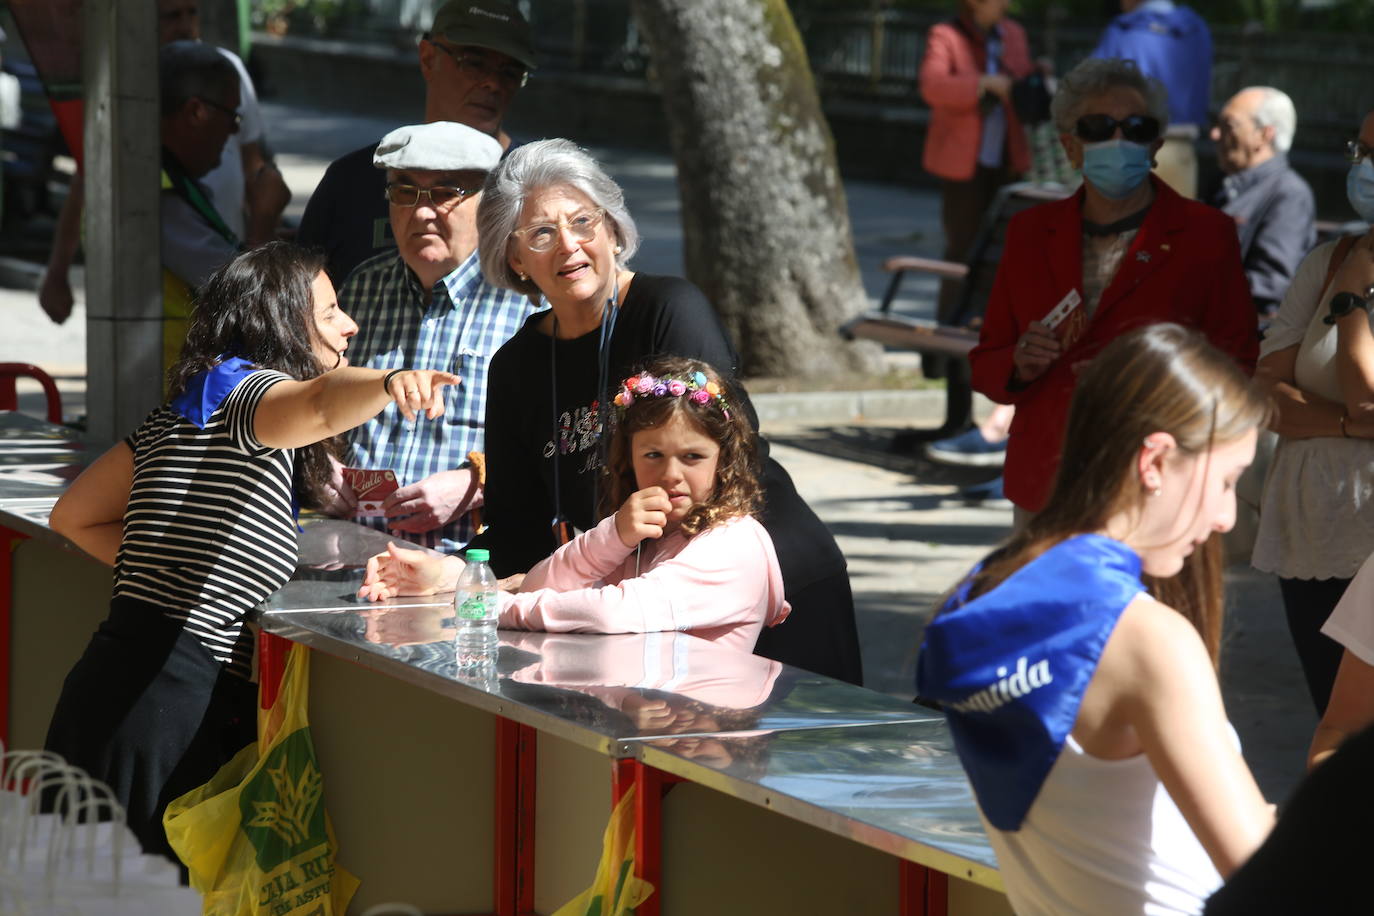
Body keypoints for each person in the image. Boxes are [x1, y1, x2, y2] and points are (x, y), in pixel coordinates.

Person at [42, 242, 458, 861]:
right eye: (329, 312)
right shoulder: (247, 395)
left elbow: (73, 516)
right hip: (166, 705)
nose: (349, 325)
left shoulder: (188, 409)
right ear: (283, 324)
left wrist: (177, 574)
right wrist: (394, 381)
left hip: (120, 686)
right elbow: (320, 402)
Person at [469, 139, 863, 684]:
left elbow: (724, 462)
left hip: (752, 587)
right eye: (541, 233)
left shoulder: (667, 310)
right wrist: (454, 575)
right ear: (514, 257)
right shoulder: (515, 365)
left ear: (611, 228)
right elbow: (516, 524)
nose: (568, 246)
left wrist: (517, 599)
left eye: (583, 222)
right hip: (635, 599)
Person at [918, 323, 1275, 914]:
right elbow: (1273, 879)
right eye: (1228, 481)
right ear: (1156, 460)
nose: (1226, 517)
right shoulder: (1148, 639)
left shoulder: (984, 595)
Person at [968, 57, 1257, 521]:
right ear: (1070, 146)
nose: (1119, 140)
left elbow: (1237, 362)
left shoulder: (1206, 234)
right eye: (1099, 126)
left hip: (1156, 481)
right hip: (1047, 480)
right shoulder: (1029, 232)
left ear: (1156, 144)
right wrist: (1019, 363)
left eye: (1136, 127)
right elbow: (986, 362)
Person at [360, 356, 791, 653]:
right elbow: (541, 585)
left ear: (724, 461)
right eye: (653, 455)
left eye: (693, 457)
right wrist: (613, 535)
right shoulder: (642, 534)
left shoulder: (733, 543)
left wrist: (495, 607)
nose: (671, 474)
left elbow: (616, 612)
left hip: (696, 746)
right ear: (629, 458)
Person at [324, 121, 537, 552]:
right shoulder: (359, 288)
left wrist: (476, 482)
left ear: (488, 204)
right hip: (351, 550)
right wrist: (318, 464)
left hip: (467, 562)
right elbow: (314, 397)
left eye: (445, 192)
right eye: (404, 191)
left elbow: (568, 435)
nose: (422, 212)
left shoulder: (530, 301)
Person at [39, 0, 290, 326]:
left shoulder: (175, 179)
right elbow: (245, 300)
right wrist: (263, 221)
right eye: (172, 16)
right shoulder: (157, 198)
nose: (233, 131)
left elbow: (252, 164)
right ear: (195, 112)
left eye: (192, 12)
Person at [1250, 109, 1374, 716]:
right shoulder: (1327, 259)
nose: (1366, 168)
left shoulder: (1346, 274)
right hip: (1311, 534)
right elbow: (1266, 393)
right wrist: (1350, 424)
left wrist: (1352, 300)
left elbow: (1370, 395)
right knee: (1334, 722)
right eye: (1364, 149)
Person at [296, 0, 535, 286]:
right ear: (427, 58)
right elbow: (300, 302)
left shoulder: (535, 185)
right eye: (473, 63)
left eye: (509, 72)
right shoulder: (352, 180)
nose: (493, 83)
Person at [918, 0, 1034, 379]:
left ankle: (985, 338)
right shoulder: (946, 34)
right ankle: (943, 350)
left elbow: (1022, 79)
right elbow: (933, 85)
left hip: (1006, 158)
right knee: (961, 253)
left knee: (1000, 255)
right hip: (962, 163)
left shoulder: (1013, 33)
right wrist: (982, 84)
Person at [1208, 86, 1315, 318]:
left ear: (1264, 134)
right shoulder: (1220, 184)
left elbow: (1271, 284)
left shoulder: (1289, 194)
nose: (1215, 134)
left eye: (1229, 125)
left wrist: (1195, 288)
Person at [1091, 0, 1212, 198]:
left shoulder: (1121, 30)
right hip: (1180, 149)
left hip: (1127, 152)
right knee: (1176, 227)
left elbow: (1090, 88)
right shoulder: (1196, 30)